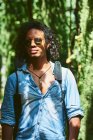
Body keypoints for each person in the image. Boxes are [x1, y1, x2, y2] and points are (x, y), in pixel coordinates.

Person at [0, 20, 83, 140]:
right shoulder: (15, 79)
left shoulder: (64, 75)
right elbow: (7, 119)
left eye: (38, 40)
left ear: (48, 43)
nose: (32, 44)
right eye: (28, 42)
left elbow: (74, 114)